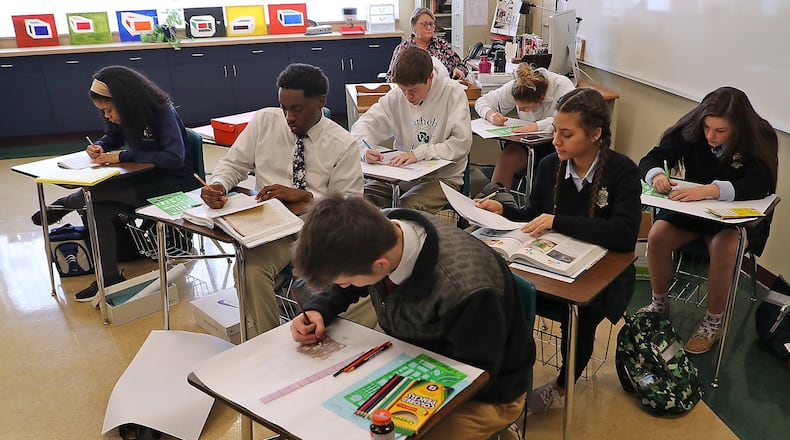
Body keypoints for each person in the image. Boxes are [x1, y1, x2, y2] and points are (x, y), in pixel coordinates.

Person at [290, 194, 534, 440]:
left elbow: (473, 377)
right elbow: (349, 277)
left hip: (485, 393)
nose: (343, 287)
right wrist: (319, 309)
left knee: (378, 432)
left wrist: (396, 396)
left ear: (380, 265)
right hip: (410, 355)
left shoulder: (466, 289)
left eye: (346, 281)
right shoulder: (380, 231)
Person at [477, 87, 641, 413]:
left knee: (578, 315)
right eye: (555, 130)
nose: (556, 140)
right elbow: (534, 216)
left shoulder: (622, 171)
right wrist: (502, 209)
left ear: (595, 134)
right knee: (505, 291)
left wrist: (557, 222)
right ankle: (503, 373)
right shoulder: (551, 165)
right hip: (553, 266)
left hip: (603, 275)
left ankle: (562, 386)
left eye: (567, 134)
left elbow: (622, 236)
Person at [200, 63, 368, 337]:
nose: (289, 117)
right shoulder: (265, 121)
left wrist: (308, 198)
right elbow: (233, 164)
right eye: (284, 108)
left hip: (313, 230)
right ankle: (266, 343)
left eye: (297, 109)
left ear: (321, 102)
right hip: (267, 226)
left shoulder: (343, 143)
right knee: (249, 271)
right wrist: (219, 184)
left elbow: (350, 206)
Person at [31, 65, 199, 302]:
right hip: (145, 177)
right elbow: (114, 136)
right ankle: (108, 279)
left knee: (96, 193)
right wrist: (100, 145)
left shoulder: (162, 111)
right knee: (97, 208)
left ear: (126, 101)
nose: (107, 116)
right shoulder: (126, 114)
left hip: (173, 181)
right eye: (103, 112)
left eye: (109, 110)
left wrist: (122, 156)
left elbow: (174, 157)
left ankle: (64, 204)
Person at [637, 86, 779, 355]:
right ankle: (659, 304)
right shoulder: (693, 128)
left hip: (731, 219)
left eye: (720, 131)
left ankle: (713, 322)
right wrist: (656, 175)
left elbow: (760, 184)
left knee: (724, 247)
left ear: (738, 128)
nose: (711, 136)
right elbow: (653, 157)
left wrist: (712, 190)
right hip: (692, 213)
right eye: (707, 128)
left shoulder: (760, 136)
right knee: (657, 236)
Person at [352, 46, 472, 213]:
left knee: (407, 207)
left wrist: (419, 153)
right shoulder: (397, 96)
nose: (408, 97)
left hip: (443, 179)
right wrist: (365, 148)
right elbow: (363, 125)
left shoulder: (453, 93)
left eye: (413, 90)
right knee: (357, 199)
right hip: (404, 176)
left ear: (430, 77)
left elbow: (461, 144)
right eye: (403, 90)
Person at [474, 63, 575, 191]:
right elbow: (482, 102)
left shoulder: (562, 86)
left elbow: (569, 118)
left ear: (541, 98)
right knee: (507, 159)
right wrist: (491, 115)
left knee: (548, 169)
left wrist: (536, 126)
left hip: (556, 144)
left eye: (525, 108)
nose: (520, 109)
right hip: (526, 143)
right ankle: (497, 199)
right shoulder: (519, 86)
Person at [385, 7, 467, 81]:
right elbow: (390, 77)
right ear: (413, 26)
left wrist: (459, 71)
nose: (429, 28)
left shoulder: (442, 45)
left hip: (441, 93)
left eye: (431, 24)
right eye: (424, 24)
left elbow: (462, 66)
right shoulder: (404, 48)